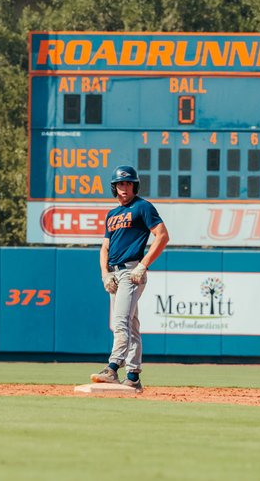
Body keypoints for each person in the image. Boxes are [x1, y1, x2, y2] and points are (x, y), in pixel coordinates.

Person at [90, 164, 169, 391]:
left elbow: (162, 236)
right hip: (115, 273)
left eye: (128, 183)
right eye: (120, 184)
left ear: (135, 186)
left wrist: (143, 266)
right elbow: (104, 248)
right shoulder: (112, 214)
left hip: (132, 272)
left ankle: (112, 368)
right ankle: (133, 375)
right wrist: (105, 274)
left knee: (120, 321)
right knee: (131, 325)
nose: (124, 188)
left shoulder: (142, 207)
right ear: (114, 188)